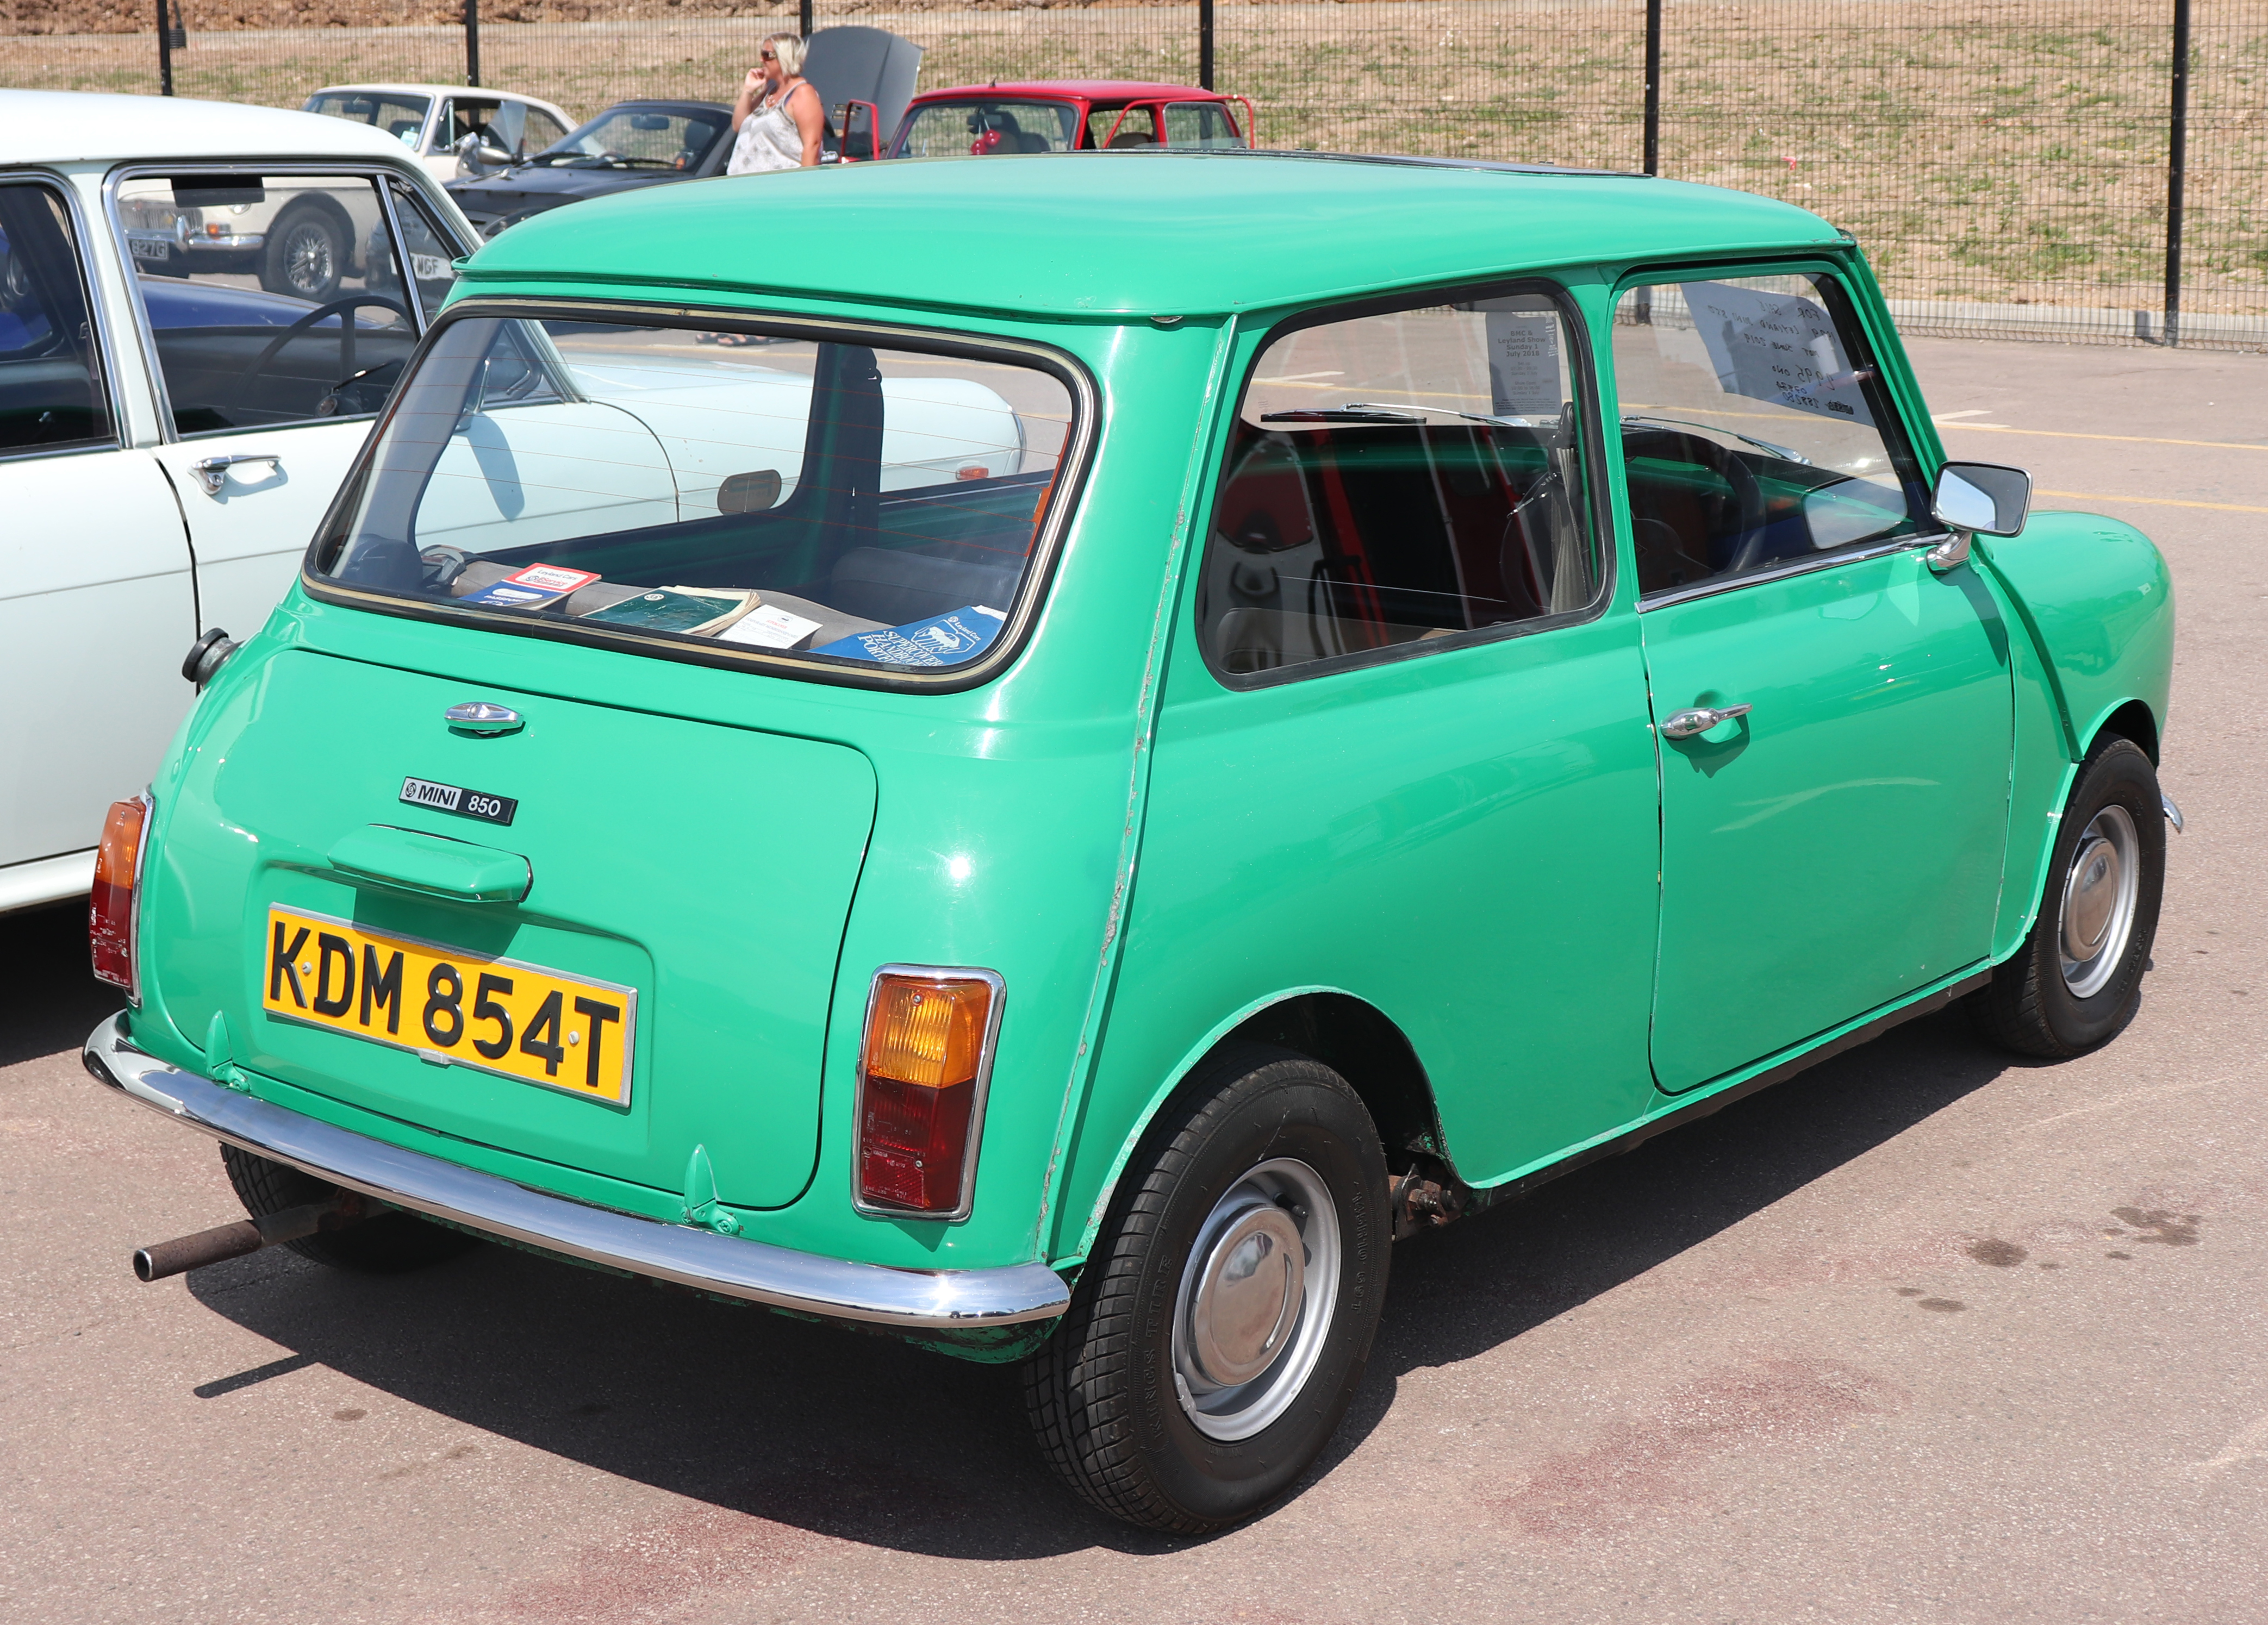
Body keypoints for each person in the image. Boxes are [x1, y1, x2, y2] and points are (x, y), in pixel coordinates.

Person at [727, 34, 825, 176]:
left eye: (767, 55)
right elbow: (738, 125)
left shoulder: (802, 93)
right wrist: (748, 90)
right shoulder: (769, 92)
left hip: (779, 189)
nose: (761, 60)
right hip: (745, 187)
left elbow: (813, 145)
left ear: (784, 57)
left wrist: (805, 188)